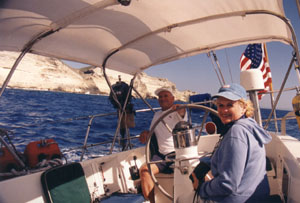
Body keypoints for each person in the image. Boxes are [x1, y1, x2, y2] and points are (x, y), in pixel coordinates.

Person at [190, 83, 272, 203]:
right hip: (256, 196)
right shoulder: (250, 125)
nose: (224, 110)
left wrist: (202, 188)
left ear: (243, 107)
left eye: (230, 105)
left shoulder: (236, 132)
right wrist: (208, 162)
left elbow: (227, 184)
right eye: (220, 105)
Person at [139, 87, 186, 203]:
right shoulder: (157, 114)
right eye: (160, 97)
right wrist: (146, 133)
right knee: (144, 170)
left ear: (173, 98)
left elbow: (182, 113)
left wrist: (180, 109)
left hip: (177, 155)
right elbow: (152, 133)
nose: (162, 99)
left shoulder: (177, 112)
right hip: (161, 156)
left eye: (166, 96)